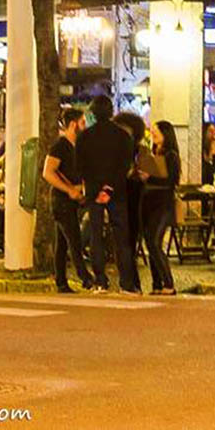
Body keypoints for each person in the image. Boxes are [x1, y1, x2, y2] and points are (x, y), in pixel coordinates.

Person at [76, 95, 140, 294]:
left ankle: (100, 280)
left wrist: (96, 189)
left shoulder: (85, 137)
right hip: (117, 191)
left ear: (93, 113)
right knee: (122, 238)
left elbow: (81, 167)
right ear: (111, 112)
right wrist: (109, 188)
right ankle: (127, 283)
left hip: (94, 193)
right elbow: (125, 165)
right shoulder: (122, 136)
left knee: (96, 236)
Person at [43, 108, 91, 292]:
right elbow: (48, 172)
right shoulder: (60, 146)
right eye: (83, 122)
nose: (85, 126)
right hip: (61, 201)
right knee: (74, 240)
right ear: (73, 125)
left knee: (62, 244)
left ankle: (61, 282)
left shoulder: (76, 146)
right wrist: (69, 190)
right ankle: (85, 278)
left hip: (72, 200)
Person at [138, 120, 180, 295]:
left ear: (166, 134)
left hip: (163, 204)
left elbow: (171, 181)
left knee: (155, 242)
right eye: (152, 132)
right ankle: (156, 283)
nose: (153, 135)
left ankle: (168, 283)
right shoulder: (153, 153)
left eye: (156, 132)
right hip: (148, 202)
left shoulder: (171, 156)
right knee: (149, 242)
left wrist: (151, 176)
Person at [113, 112, 150, 260]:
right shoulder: (114, 149)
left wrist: (142, 174)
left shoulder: (141, 150)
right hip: (118, 195)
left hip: (135, 195)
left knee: (131, 235)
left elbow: (147, 174)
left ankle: (131, 276)